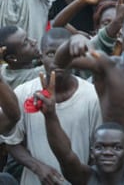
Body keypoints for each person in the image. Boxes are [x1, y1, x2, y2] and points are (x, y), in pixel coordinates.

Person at [2, 28, 102, 185]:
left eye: (65, 54)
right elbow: (12, 141)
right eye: (51, 54)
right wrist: (38, 168)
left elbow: (100, 152)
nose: (58, 60)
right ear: (41, 57)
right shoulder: (24, 92)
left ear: (76, 57)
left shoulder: (93, 96)